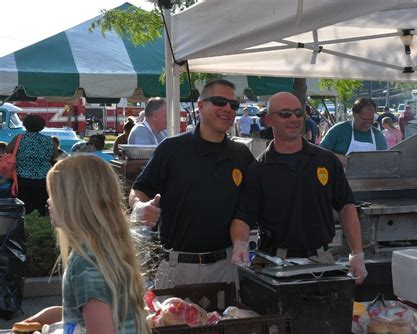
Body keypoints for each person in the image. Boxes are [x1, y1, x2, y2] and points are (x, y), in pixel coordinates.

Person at [18, 155, 154, 334]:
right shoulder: (106, 250)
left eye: (53, 194)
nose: (48, 201)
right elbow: (106, 314)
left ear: (74, 202)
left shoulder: (85, 263)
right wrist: (54, 315)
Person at [230, 92, 367, 284]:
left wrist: (357, 254)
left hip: (321, 261)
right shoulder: (258, 170)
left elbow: (346, 206)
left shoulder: (326, 160)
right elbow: (243, 217)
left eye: (298, 113)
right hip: (273, 264)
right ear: (269, 120)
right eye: (285, 114)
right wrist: (239, 245)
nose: (294, 118)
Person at [129, 79, 255, 288]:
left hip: (226, 266)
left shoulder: (240, 155)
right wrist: (141, 207)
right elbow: (139, 190)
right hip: (177, 268)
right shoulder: (172, 149)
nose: (227, 109)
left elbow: (254, 201)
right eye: (219, 101)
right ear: (201, 105)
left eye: (233, 105)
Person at [6, 114, 54, 215]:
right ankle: (38, 226)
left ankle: (24, 227)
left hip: (22, 179)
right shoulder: (49, 140)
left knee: (22, 207)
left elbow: (7, 150)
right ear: (42, 126)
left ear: (25, 125)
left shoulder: (19, 138)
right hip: (42, 179)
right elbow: (54, 157)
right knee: (41, 207)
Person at [320, 97, 387, 167]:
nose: (367, 123)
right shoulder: (338, 130)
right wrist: (342, 159)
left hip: (369, 177)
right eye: (364, 119)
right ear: (355, 114)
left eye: (371, 119)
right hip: (339, 176)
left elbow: (385, 162)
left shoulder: (378, 136)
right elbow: (320, 153)